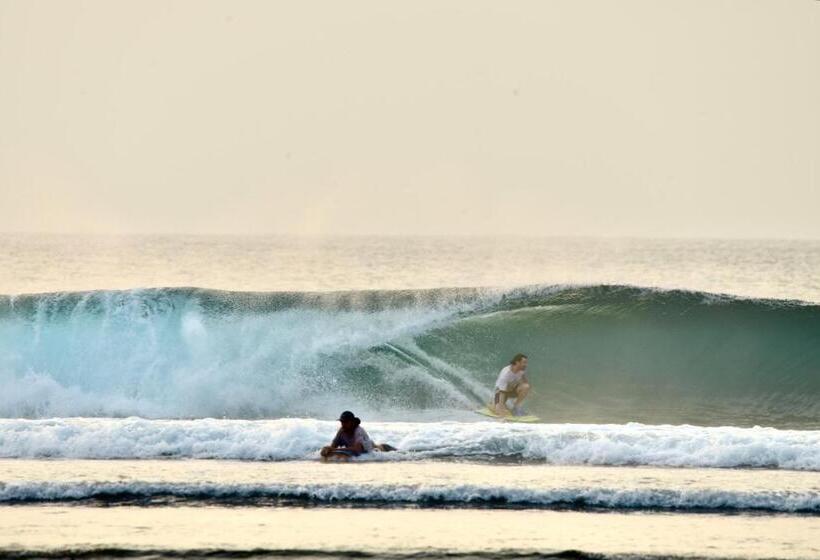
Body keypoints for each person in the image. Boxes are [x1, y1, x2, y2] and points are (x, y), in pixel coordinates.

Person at [320, 410, 395, 459]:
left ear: (352, 422)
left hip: (380, 449)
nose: (343, 424)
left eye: (346, 422)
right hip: (356, 450)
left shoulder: (358, 430)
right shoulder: (341, 431)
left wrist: (335, 449)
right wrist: (327, 449)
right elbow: (333, 447)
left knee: (403, 454)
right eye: (342, 422)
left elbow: (357, 449)